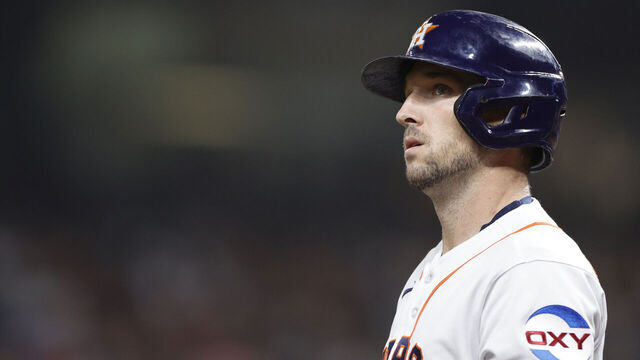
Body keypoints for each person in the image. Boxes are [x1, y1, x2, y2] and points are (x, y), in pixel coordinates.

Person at [360, 10, 606, 360]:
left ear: (504, 109)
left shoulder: (534, 268)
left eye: (438, 88)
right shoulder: (436, 267)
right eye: (408, 94)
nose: (404, 113)